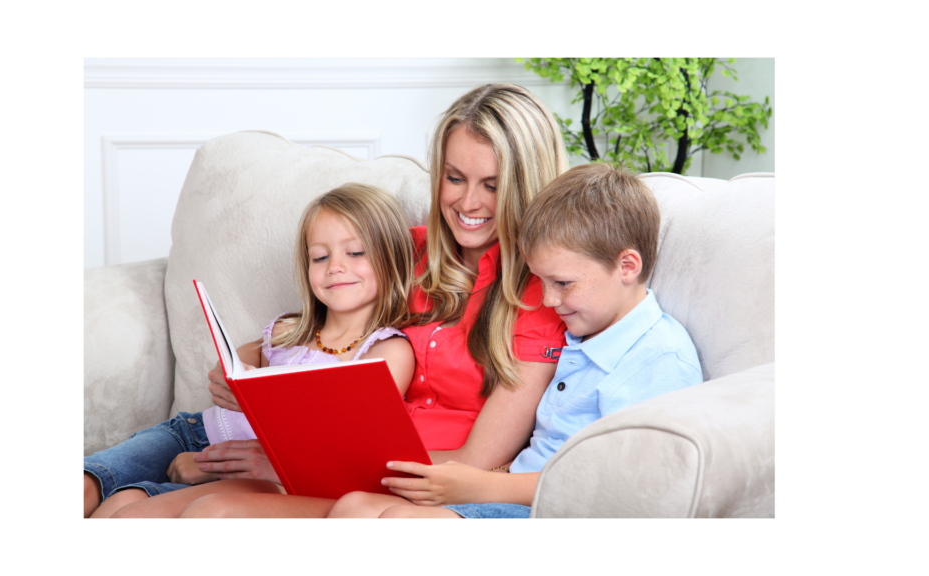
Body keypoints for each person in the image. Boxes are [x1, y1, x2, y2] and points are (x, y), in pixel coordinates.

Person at [117, 83, 571, 519]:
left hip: (401, 487)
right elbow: (315, 335)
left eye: (491, 185)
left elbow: (471, 463)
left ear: (525, 186)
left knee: (215, 511)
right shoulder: (399, 253)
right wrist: (241, 369)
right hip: (333, 466)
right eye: (454, 178)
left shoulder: (541, 298)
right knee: (139, 511)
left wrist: (283, 463)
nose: (468, 201)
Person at [326, 162, 704, 519]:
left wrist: (483, 485)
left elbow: (629, 487)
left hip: (552, 507)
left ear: (627, 267)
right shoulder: (585, 332)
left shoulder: (659, 358)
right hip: (514, 496)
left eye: (563, 283)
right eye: (543, 282)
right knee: (354, 506)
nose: (549, 300)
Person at [82, 183, 417, 519]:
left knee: (129, 513)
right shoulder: (289, 329)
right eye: (320, 256)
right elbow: (236, 360)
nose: (335, 267)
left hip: (254, 471)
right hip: (193, 432)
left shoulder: (386, 351)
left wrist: (222, 462)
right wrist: (228, 376)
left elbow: (344, 443)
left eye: (355, 252)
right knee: (102, 499)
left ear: (392, 256)